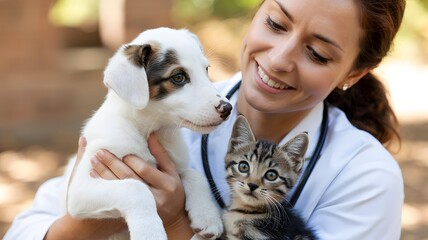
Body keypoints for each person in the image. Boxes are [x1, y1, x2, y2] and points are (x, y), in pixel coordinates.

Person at [4, 0, 406, 239]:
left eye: (317, 53)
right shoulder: (159, 111)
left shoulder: (363, 178)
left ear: (354, 74)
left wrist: (178, 221)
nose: (280, 58)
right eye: (275, 23)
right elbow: (26, 230)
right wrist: (98, 218)